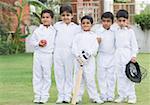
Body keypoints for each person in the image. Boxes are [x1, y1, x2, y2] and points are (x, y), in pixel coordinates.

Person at [72, 15, 104, 104]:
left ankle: (94, 97)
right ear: (80, 24)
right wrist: (79, 56)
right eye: (83, 23)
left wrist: (86, 55)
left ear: (91, 24)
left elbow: (95, 48)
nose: (85, 25)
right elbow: (74, 47)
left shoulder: (94, 35)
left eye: (87, 23)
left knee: (90, 79)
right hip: (78, 61)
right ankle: (77, 97)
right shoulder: (77, 36)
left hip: (90, 61)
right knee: (78, 79)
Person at [53, 4, 81, 104]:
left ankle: (68, 95)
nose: (66, 17)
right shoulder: (56, 26)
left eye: (68, 15)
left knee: (69, 75)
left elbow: (86, 33)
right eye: (63, 15)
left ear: (72, 15)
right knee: (59, 74)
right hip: (58, 52)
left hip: (70, 53)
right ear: (60, 16)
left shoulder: (76, 27)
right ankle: (60, 95)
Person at [29, 9, 56, 104]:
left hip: (48, 55)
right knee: (37, 76)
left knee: (46, 76)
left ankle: (44, 96)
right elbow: (31, 42)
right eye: (43, 17)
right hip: (38, 55)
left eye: (47, 17)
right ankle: (37, 95)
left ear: (52, 19)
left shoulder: (54, 30)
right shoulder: (37, 30)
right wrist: (38, 43)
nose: (45, 19)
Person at [114, 9, 138, 104]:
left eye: (124, 21)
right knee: (119, 76)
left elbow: (134, 45)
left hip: (127, 55)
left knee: (129, 76)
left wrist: (134, 56)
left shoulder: (130, 32)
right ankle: (122, 96)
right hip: (118, 56)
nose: (121, 23)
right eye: (119, 21)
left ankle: (132, 96)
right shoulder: (115, 31)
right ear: (116, 21)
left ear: (127, 21)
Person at [95, 12, 116, 102]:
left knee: (111, 77)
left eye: (108, 21)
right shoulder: (97, 31)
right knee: (101, 76)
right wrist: (97, 43)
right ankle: (103, 94)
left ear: (112, 22)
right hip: (101, 56)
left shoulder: (115, 31)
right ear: (101, 21)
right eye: (104, 21)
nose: (106, 23)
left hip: (112, 56)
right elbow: (94, 45)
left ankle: (110, 94)